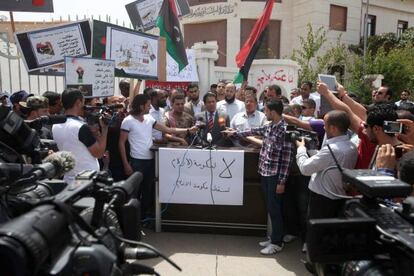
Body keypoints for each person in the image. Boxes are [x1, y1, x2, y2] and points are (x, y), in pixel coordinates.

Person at [224, 99, 294, 255]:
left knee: (275, 209)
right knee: (270, 207)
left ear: (273, 112)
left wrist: (282, 181)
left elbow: (287, 159)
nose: (265, 113)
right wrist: (234, 132)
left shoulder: (285, 130)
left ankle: (277, 242)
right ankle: (274, 236)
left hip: (275, 175)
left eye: (267, 111)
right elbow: (253, 130)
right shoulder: (269, 126)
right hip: (265, 172)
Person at [119, 94, 197, 218]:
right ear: (141, 106)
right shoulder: (128, 121)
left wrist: (188, 130)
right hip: (136, 162)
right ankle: (130, 221)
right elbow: (121, 143)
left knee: (147, 191)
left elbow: (167, 130)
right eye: (148, 105)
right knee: (134, 193)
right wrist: (126, 164)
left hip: (150, 161)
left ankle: (142, 219)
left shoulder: (149, 119)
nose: (150, 107)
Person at [296, 110, 357, 219]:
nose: (324, 128)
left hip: (322, 200)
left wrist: (301, 149)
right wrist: (312, 150)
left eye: (325, 125)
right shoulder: (352, 146)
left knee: (316, 232)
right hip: (340, 197)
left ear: (333, 128)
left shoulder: (332, 150)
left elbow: (305, 169)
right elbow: (327, 161)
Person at [52, 89, 108, 182]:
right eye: (83, 102)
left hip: (68, 177)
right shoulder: (80, 127)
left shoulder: (56, 125)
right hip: (86, 179)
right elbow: (99, 153)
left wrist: (95, 133)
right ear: (78, 102)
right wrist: (105, 129)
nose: (84, 105)